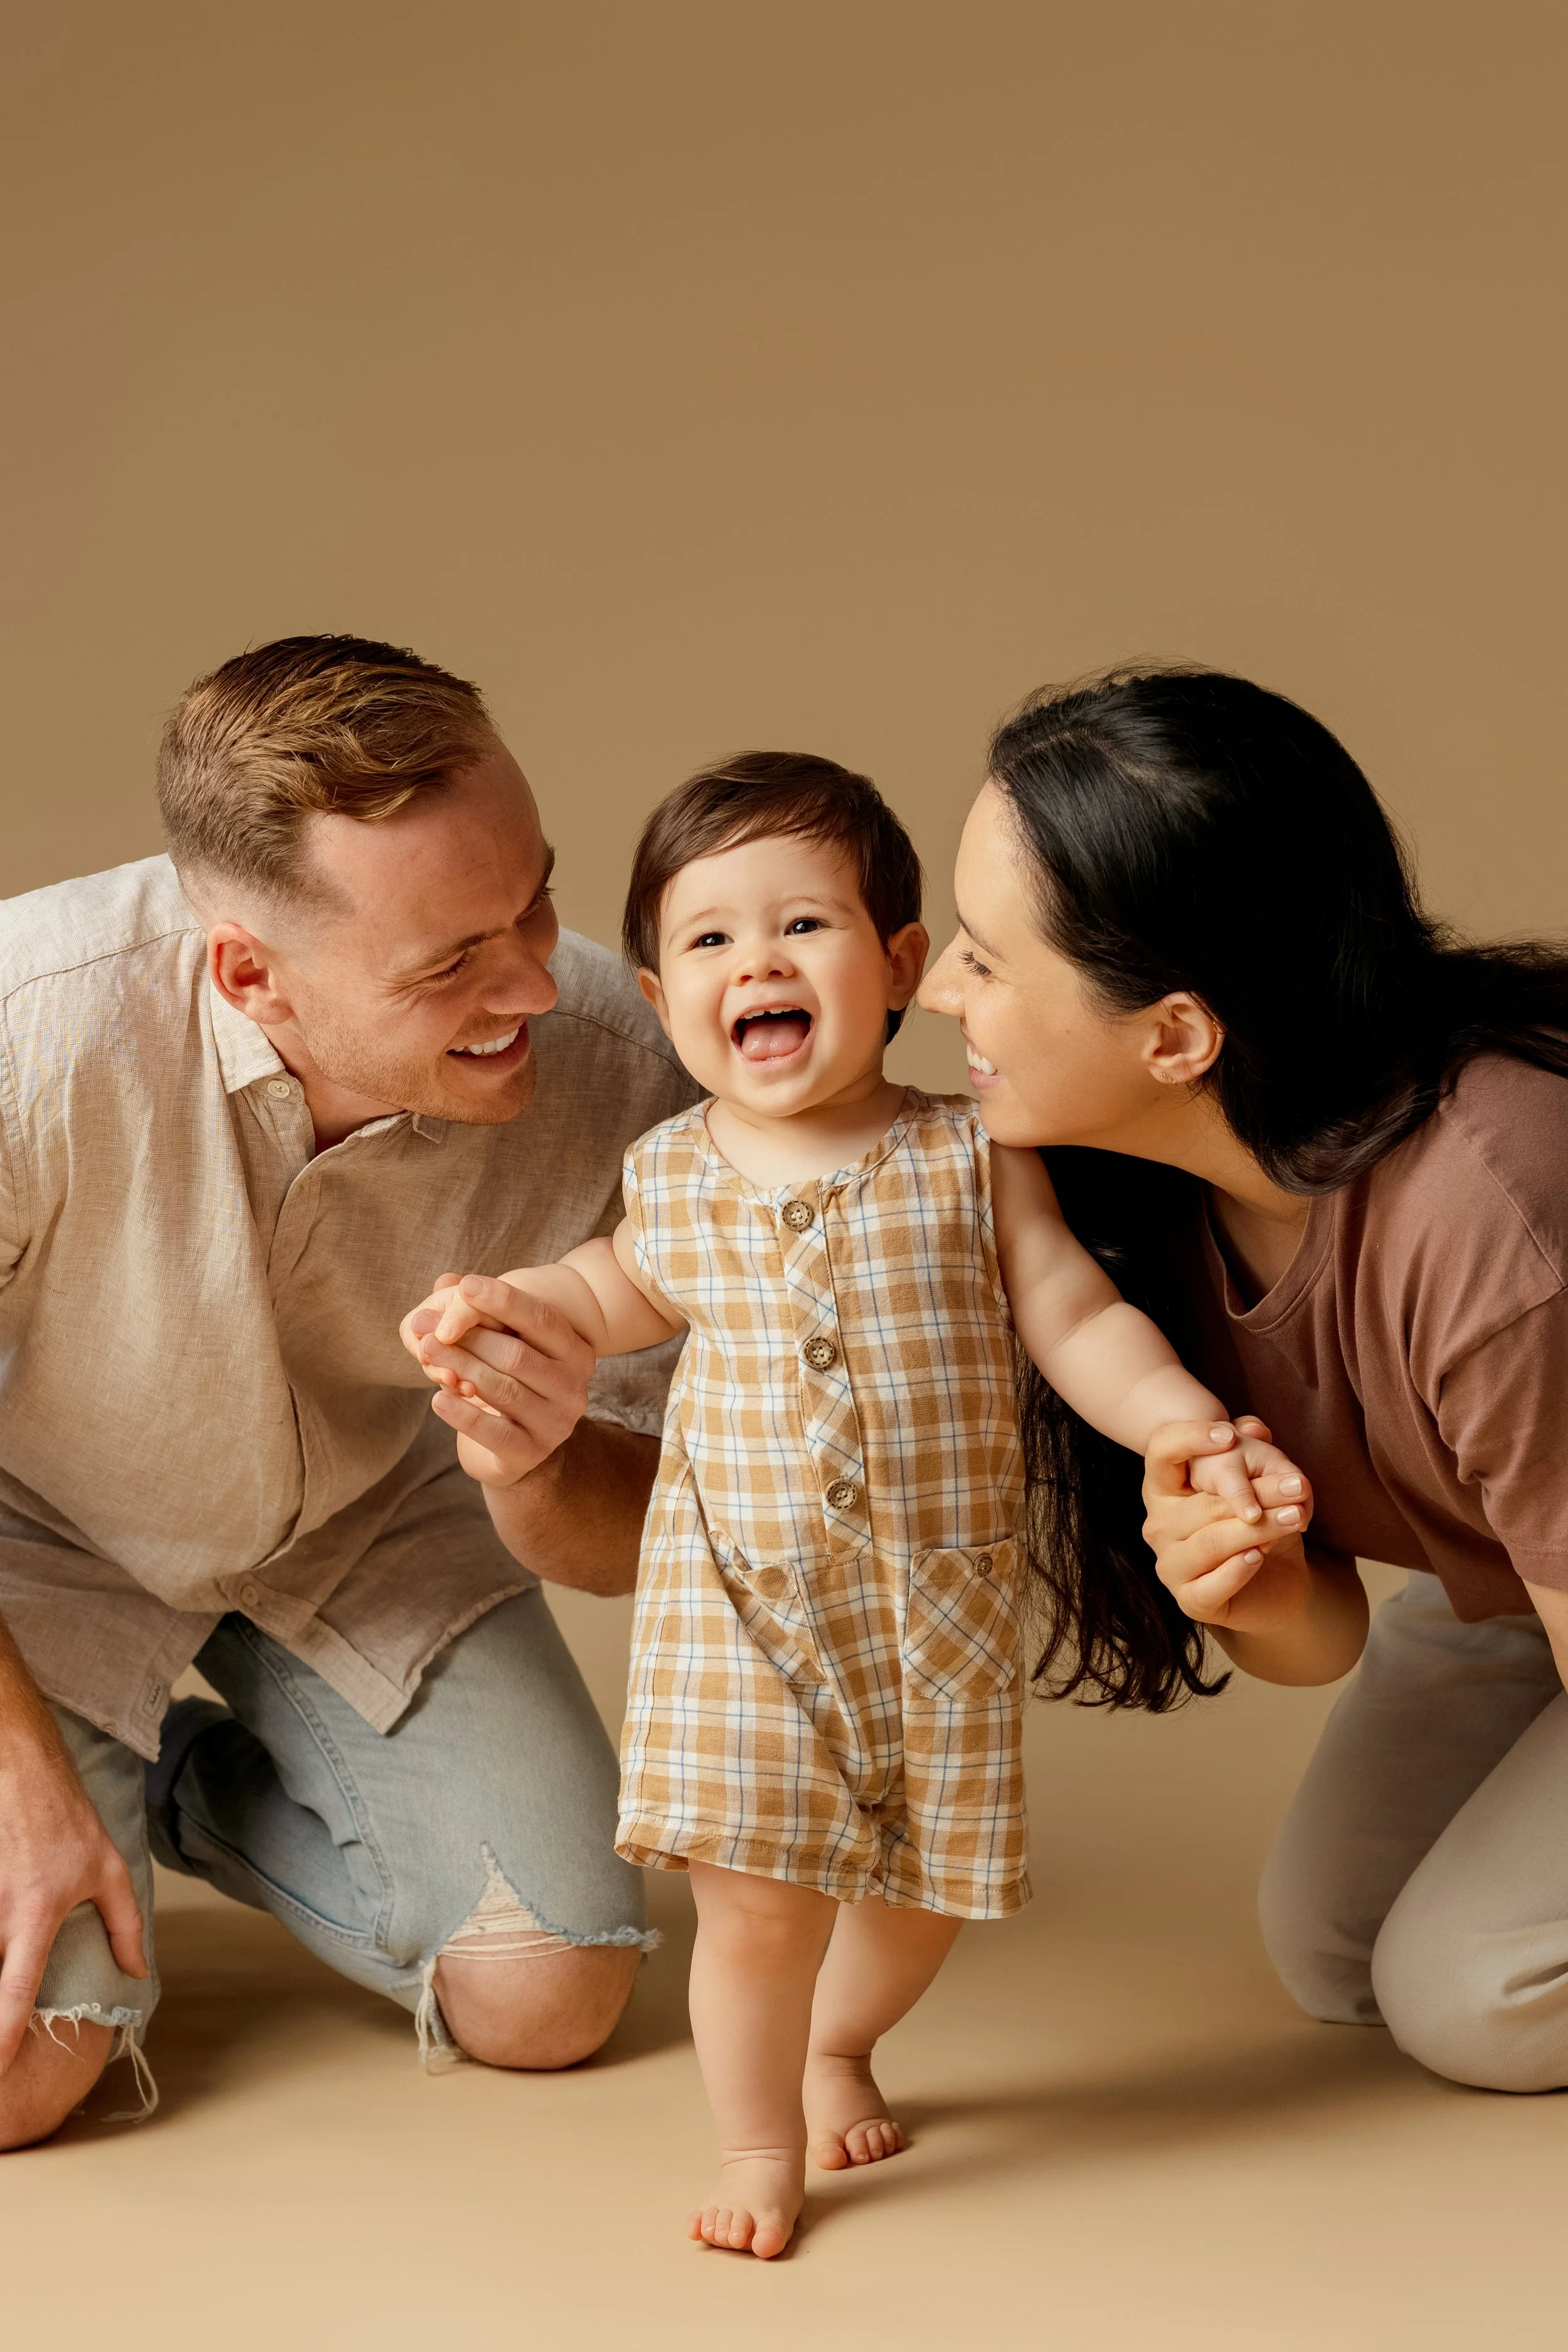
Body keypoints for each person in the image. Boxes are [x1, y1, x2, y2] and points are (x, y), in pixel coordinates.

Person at [402, 751, 1303, 2257]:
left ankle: (841, 2042)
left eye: (801, 927)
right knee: (755, 1900)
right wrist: (511, 1309)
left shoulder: (966, 1155)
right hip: (736, 1611)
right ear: (653, 994)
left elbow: (1072, 1317)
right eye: (707, 941)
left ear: (896, 966)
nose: (754, 960)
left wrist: (1181, 1425)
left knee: (916, 1892)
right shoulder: (673, 1174)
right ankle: (758, 2138)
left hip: (931, 1606)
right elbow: (611, 1287)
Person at [0, 634, 697, 2152]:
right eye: (449, 961)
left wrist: (531, 1473)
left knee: (553, 1995)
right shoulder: (26, 1031)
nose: (531, 983)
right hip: (30, 1546)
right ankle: (79, 1766)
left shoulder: (630, 1064)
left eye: (533, 902)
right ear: (250, 973)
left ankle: (184, 1796)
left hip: (374, 1523)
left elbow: (633, 1533)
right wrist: (20, 1779)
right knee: (18, 2079)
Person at [918, 665, 1568, 2095]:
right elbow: (1317, 1631)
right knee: (1330, 1950)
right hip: (1524, 1570)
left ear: (1172, 1036)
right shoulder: (1115, 1205)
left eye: (982, 957)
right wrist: (1254, 1587)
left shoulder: (1492, 1221)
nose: (928, 987)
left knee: (1472, 1997)